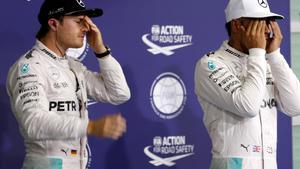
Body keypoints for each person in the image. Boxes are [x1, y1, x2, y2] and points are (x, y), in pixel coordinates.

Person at [6, 0, 131, 168]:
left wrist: (101, 51)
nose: (86, 28)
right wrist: (92, 126)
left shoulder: (73, 66)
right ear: (53, 23)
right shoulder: (29, 67)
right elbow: (33, 122)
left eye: (87, 22)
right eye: (79, 21)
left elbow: (119, 93)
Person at [194, 0, 300, 168]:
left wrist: (275, 55)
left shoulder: (264, 62)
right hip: (232, 164)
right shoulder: (211, 64)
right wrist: (257, 52)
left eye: (268, 22)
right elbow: (248, 106)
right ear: (236, 26)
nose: (266, 30)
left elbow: (295, 106)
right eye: (258, 24)